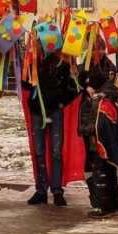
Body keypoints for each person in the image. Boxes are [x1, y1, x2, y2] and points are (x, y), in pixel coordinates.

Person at [22, 52, 79, 206]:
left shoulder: (62, 64)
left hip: (54, 111)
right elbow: (26, 85)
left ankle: (57, 190)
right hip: (37, 112)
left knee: (56, 152)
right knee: (39, 152)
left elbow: (74, 88)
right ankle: (41, 190)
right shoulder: (34, 63)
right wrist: (24, 70)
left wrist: (62, 102)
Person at [82, 71, 118, 219]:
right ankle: (115, 206)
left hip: (101, 146)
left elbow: (98, 125)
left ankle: (104, 207)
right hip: (107, 147)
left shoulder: (101, 102)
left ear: (96, 87)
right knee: (111, 176)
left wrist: (84, 129)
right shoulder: (105, 99)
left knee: (101, 176)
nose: (87, 89)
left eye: (89, 86)